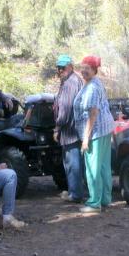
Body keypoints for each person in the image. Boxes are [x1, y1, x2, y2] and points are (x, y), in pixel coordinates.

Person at [73, 56, 115, 213]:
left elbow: (93, 114)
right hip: (105, 129)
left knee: (92, 167)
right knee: (104, 165)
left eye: (87, 68)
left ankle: (94, 203)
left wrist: (86, 138)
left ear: (94, 70)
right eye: (82, 67)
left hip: (96, 132)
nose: (83, 71)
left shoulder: (91, 88)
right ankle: (105, 198)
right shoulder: (95, 83)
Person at [53, 55, 84, 203]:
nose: (60, 70)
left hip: (70, 130)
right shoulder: (72, 80)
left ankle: (75, 194)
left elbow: (65, 110)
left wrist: (57, 127)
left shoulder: (70, 83)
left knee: (72, 163)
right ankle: (73, 191)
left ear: (70, 66)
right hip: (73, 129)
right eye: (58, 67)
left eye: (63, 67)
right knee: (72, 162)